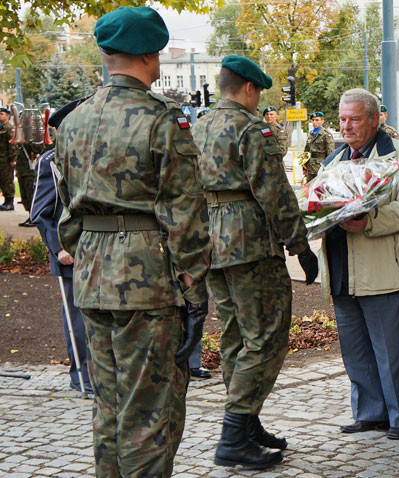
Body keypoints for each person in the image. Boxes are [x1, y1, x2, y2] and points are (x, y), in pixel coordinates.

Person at [55, 7, 212, 476]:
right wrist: (193, 286)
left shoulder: (73, 121)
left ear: (106, 53)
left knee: (109, 408)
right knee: (148, 412)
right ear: (152, 53)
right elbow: (185, 212)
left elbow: (67, 212)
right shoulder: (162, 120)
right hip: (147, 282)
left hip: (92, 278)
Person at [193, 55, 318, 469]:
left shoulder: (198, 125)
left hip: (211, 240)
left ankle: (247, 424)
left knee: (234, 336)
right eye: (259, 91)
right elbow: (274, 192)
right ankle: (234, 434)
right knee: (265, 335)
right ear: (248, 88)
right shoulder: (252, 128)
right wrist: (300, 245)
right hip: (248, 241)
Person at [319, 88, 399, 441]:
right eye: (342, 119)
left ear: (376, 120)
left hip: (383, 270)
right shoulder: (332, 162)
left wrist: (371, 220)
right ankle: (370, 413)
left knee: (391, 351)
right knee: (356, 349)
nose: (346, 126)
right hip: (341, 268)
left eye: (355, 119)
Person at [30, 99, 93, 396]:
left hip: (100, 247)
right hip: (69, 251)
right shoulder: (50, 161)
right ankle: (82, 375)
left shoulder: (95, 155)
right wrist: (58, 249)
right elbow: (40, 212)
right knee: (78, 317)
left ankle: (106, 374)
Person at [303, 111, 335, 182]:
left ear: (322, 121)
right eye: (313, 120)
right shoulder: (311, 134)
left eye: (317, 120)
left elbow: (331, 153)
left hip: (320, 167)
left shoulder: (326, 135)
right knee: (309, 189)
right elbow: (306, 152)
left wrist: (328, 169)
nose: (314, 122)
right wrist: (304, 167)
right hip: (310, 168)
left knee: (319, 189)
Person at [0, 107, 17, 211]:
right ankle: (5, 201)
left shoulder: (9, 128)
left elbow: (12, 145)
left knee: (7, 180)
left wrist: (12, 159)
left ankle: (10, 203)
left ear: (8, 116)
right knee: (2, 180)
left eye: (1, 113)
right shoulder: (1, 128)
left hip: (6, 160)